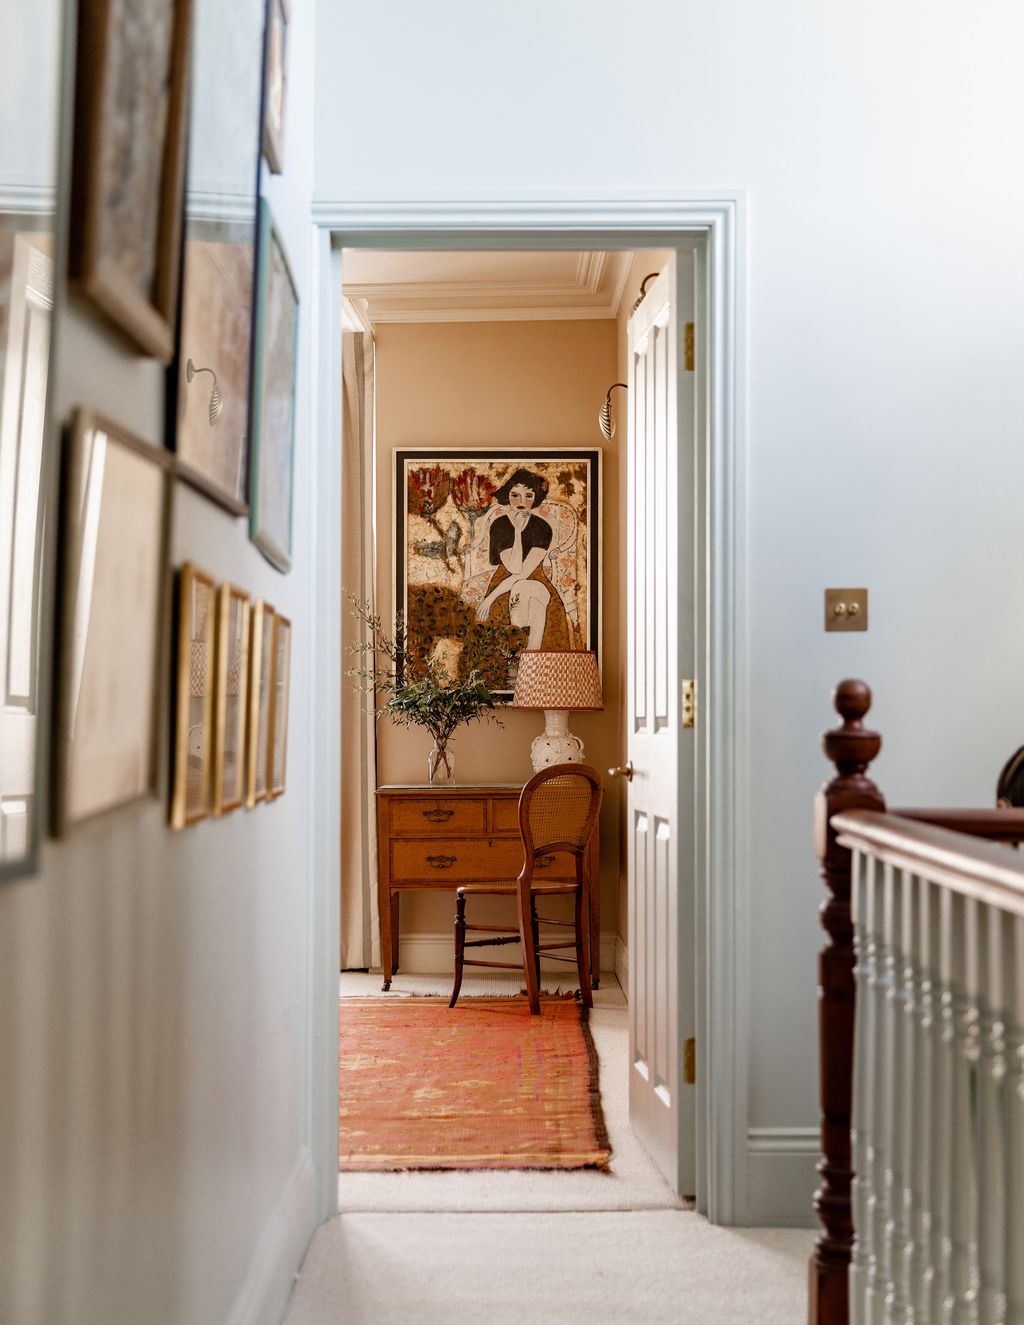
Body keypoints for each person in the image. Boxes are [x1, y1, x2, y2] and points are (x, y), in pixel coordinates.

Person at [475, 467, 571, 651]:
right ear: (507, 495)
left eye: (528, 496)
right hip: (504, 583)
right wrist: (517, 533)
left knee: (524, 586)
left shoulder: (542, 527)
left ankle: (527, 657)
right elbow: (513, 567)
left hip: (537, 581)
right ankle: (527, 657)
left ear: (536, 498)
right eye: (515, 495)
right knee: (520, 588)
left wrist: (489, 598)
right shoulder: (500, 525)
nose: (521, 501)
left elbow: (523, 572)